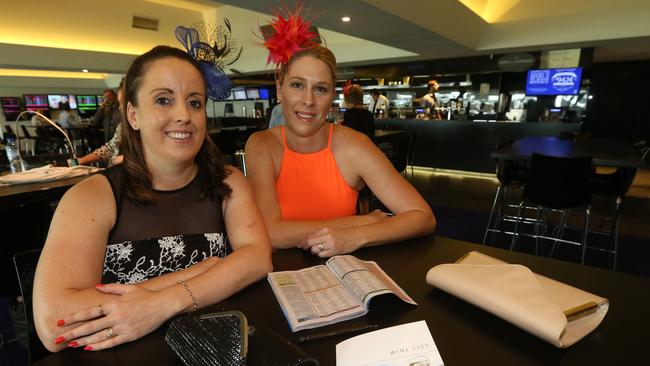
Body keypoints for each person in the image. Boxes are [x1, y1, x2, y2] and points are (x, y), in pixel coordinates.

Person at [33, 45, 272, 352]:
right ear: (133, 115)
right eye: (163, 100)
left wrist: (164, 303)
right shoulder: (91, 196)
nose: (184, 115)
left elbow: (256, 258)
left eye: (194, 103)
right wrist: (199, 274)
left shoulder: (228, 182)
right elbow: (54, 322)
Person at [245, 43, 436, 257]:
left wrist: (354, 236)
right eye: (297, 85)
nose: (308, 100)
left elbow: (422, 216)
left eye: (320, 89)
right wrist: (362, 221)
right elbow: (269, 233)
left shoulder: (355, 145)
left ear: (331, 97)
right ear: (280, 90)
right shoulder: (262, 145)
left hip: (342, 274)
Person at [77, 79, 125, 166]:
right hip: (108, 136)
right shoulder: (105, 110)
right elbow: (96, 121)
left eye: (123, 103)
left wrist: (118, 160)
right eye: (105, 97)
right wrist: (81, 160)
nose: (121, 108)